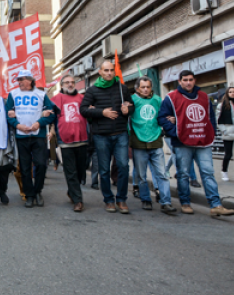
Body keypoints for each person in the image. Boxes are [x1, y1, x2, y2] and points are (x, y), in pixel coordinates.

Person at [158, 70, 234, 216]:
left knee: (208, 173)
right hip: (182, 143)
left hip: (202, 142)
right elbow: (161, 118)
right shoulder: (171, 98)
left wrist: (211, 131)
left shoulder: (204, 97)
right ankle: (185, 202)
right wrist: (176, 132)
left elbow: (210, 117)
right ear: (180, 81)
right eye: (185, 80)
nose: (188, 82)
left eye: (191, 79)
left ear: (195, 80)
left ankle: (216, 205)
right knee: (183, 174)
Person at [80, 61, 134, 214]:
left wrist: (127, 110)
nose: (109, 73)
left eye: (112, 70)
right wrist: (102, 112)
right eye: (106, 70)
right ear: (100, 72)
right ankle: (109, 200)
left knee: (123, 166)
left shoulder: (122, 88)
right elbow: (83, 110)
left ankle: (122, 199)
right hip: (101, 136)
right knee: (103, 170)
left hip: (121, 134)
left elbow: (132, 107)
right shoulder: (92, 90)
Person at [6, 70, 56, 208]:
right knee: (24, 167)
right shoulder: (13, 94)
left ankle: (38, 191)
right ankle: (29, 194)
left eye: (22, 79)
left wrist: (39, 123)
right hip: (21, 136)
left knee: (41, 164)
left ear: (30, 80)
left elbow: (51, 114)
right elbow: (7, 114)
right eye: (18, 80)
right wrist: (18, 125)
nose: (19, 82)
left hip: (38, 136)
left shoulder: (41, 94)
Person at [129, 77, 177, 214]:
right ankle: (145, 199)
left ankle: (166, 202)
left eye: (148, 87)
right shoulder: (132, 100)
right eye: (142, 87)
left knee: (162, 174)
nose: (145, 89)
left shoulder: (157, 100)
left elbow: (163, 115)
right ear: (137, 88)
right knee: (142, 175)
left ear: (151, 88)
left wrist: (169, 118)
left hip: (156, 142)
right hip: (139, 143)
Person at [50, 74, 87, 212]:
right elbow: (49, 117)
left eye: (72, 82)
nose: (70, 84)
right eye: (67, 82)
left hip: (82, 139)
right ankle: (78, 200)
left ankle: (72, 191)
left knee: (81, 171)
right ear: (62, 85)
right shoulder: (55, 100)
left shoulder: (83, 99)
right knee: (70, 171)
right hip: (65, 142)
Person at [216, 86, 234, 184]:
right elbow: (218, 120)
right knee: (228, 154)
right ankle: (224, 171)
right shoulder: (221, 105)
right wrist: (224, 131)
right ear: (227, 93)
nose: (232, 93)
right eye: (230, 92)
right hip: (228, 133)